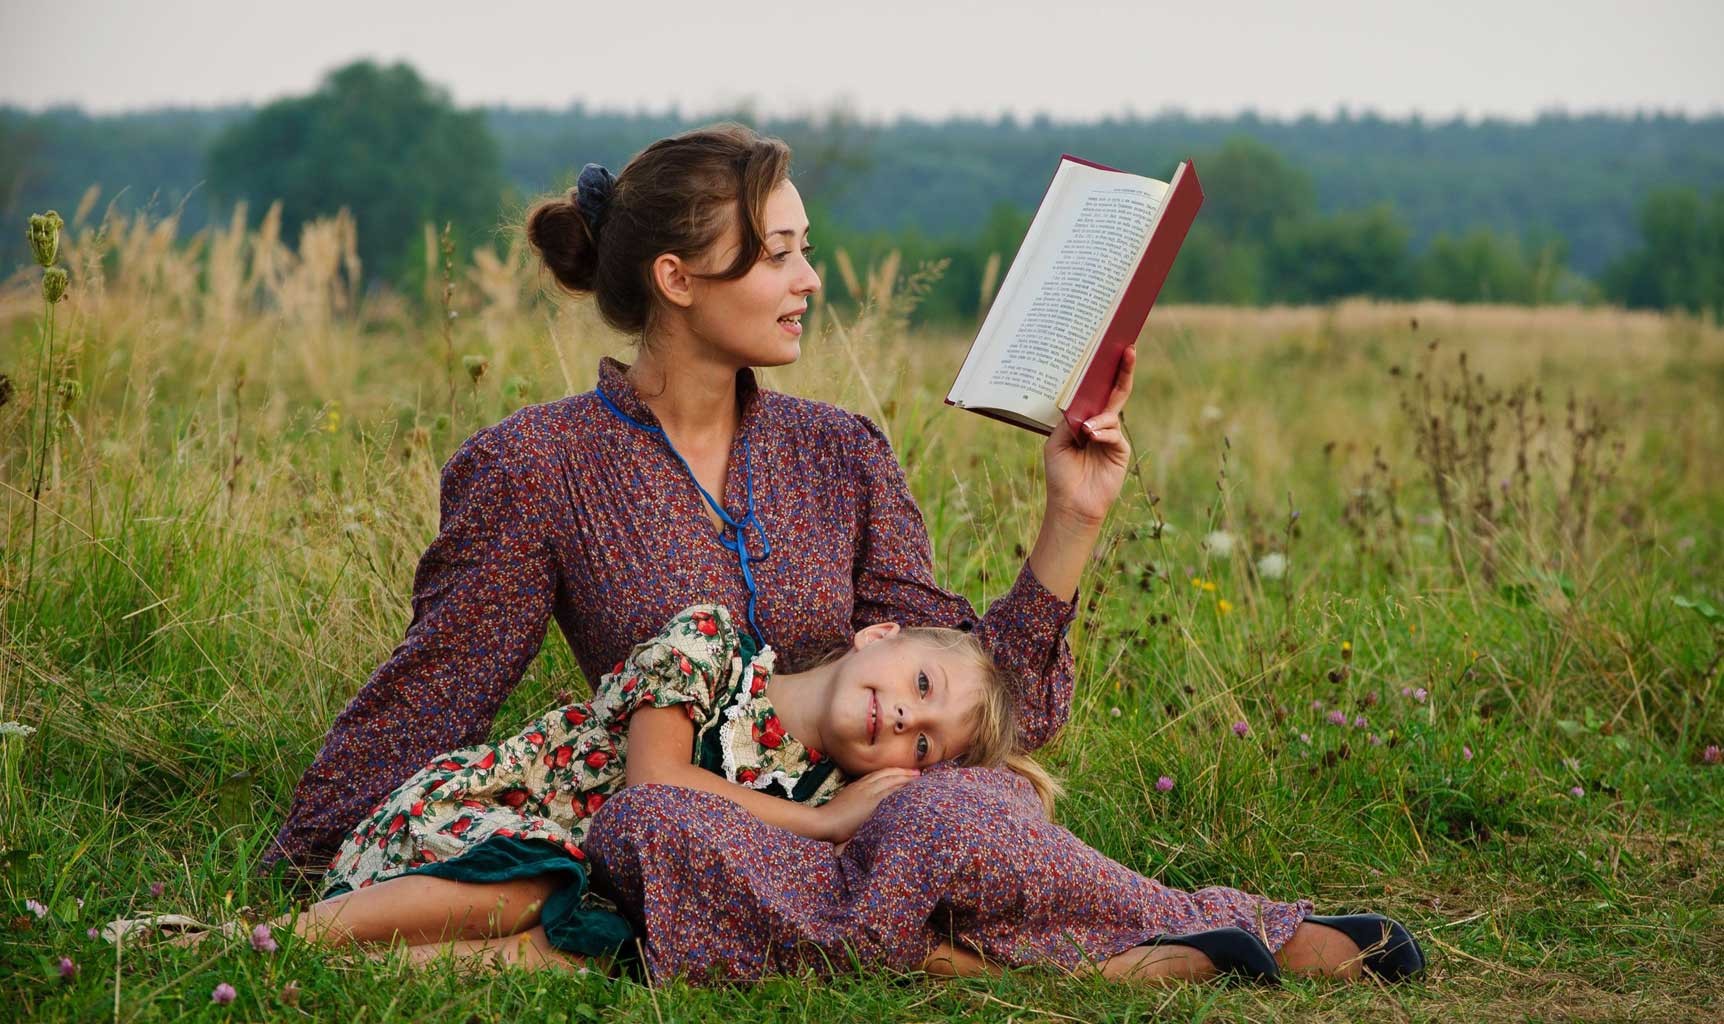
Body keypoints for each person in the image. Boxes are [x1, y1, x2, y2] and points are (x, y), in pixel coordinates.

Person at [268, 123, 1423, 986]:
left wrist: (1069, 520)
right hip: (699, 824)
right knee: (654, 833)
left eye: (803, 251)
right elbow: (441, 677)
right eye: (775, 256)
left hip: (877, 800)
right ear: (676, 278)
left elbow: (978, 692)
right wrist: (310, 852)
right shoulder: (537, 465)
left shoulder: (840, 451)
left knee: (966, 804)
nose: (808, 280)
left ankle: (1223, 924)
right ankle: (990, 962)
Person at [268, 604, 1042, 970]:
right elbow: (655, 786)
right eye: (920, 682)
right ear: (881, 634)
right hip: (487, 823)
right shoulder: (711, 649)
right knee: (541, 871)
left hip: (585, 897)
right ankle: (285, 939)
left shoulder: (825, 792)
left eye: (923, 741)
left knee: (601, 946)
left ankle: (354, 973)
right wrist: (828, 824)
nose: (906, 714)